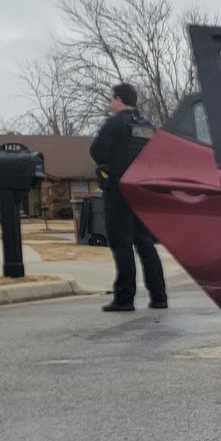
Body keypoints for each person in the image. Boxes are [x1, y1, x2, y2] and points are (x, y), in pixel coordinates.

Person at [89, 81, 167, 313]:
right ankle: (159, 296)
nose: (110, 103)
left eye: (112, 99)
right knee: (145, 242)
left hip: (119, 189)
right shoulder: (148, 127)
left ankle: (124, 298)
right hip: (142, 190)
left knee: (122, 242)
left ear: (120, 100)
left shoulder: (114, 124)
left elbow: (97, 151)